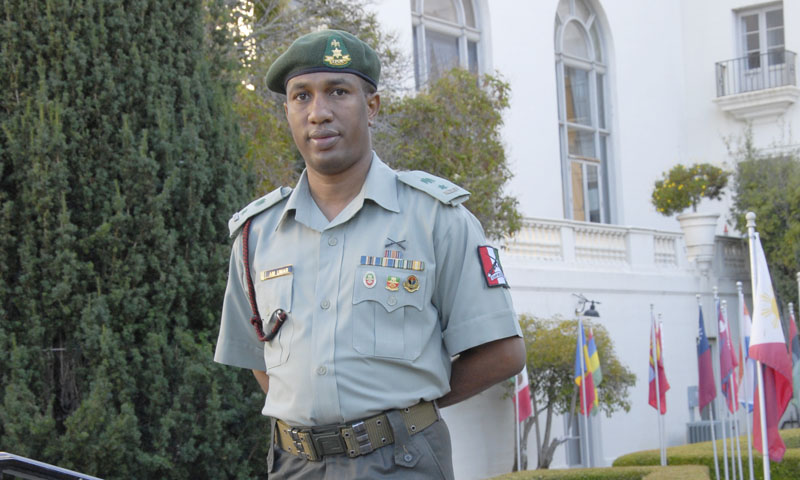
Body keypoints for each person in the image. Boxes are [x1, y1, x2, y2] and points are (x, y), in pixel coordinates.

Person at [214, 29, 525, 479]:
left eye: (337, 92)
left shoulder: (435, 218)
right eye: (301, 96)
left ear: (372, 106)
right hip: (294, 465)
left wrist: (405, 413)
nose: (318, 113)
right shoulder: (257, 234)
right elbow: (260, 361)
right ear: (287, 111)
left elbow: (502, 352)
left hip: (402, 461)